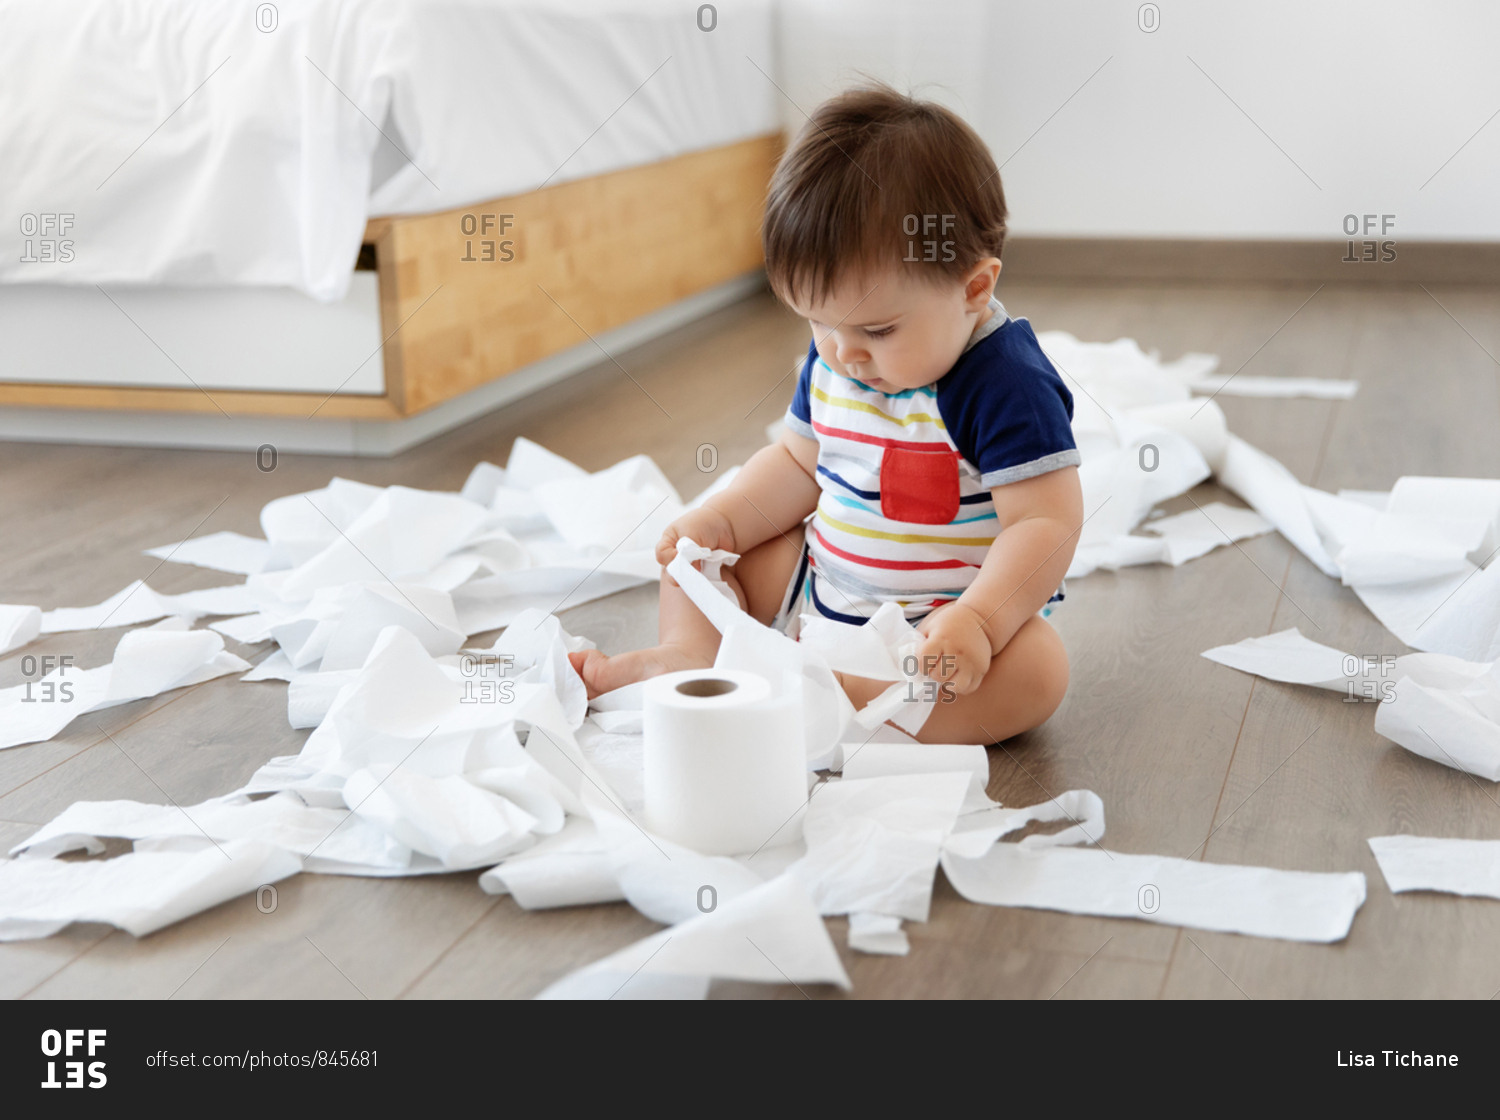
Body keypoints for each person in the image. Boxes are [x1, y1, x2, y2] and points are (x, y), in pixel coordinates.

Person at [571, 84, 1083, 746]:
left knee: (1040, 669)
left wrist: (981, 622)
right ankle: (690, 657)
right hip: (821, 597)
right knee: (702, 558)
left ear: (974, 289)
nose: (844, 352)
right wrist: (722, 522)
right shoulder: (840, 359)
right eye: (818, 321)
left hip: (938, 638)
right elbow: (795, 464)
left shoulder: (1004, 381)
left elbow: (1045, 521)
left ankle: (862, 701)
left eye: (877, 328)